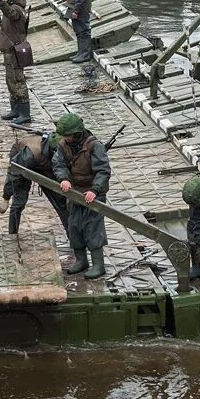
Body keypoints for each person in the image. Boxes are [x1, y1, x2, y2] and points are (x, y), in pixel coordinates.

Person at [51, 113, 110, 279]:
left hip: (93, 193)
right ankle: (81, 260)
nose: (65, 138)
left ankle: (99, 265)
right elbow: (58, 164)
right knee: (75, 226)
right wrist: (63, 179)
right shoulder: (63, 145)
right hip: (74, 192)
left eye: (68, 135)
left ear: (76, 133)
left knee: (93, 228)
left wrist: (95, 190)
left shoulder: (94, 146)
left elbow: (103, 171)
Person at [0, 131, 66, 235]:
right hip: (23, 162)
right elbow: (14, 175)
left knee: (60, 199)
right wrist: (6, 197)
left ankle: (73, 237)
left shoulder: (62, 145)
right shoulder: (29, 154)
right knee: (19, 203)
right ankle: (12, 234)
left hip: (43, 163)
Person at [0, 0, 30, 124]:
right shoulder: (11, 7)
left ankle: (24, 113)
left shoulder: (17, 9)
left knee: (18, 80)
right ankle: (15, 109)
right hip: (9, 49)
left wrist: (2, 4)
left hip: (15, 50)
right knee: (10, 80)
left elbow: (12, 14)